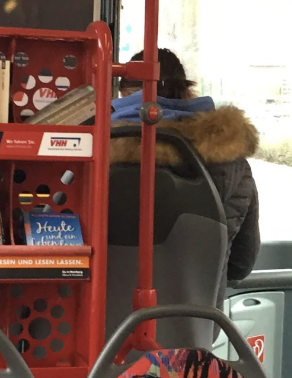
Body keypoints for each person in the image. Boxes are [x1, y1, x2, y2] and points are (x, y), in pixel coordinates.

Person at [111, 47, 260, 308]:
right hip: (196, 326)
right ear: (185, 91)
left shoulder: (96, 151)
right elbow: (240, 264)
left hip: (99, 327)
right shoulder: (232, 162)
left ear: (124, 95)